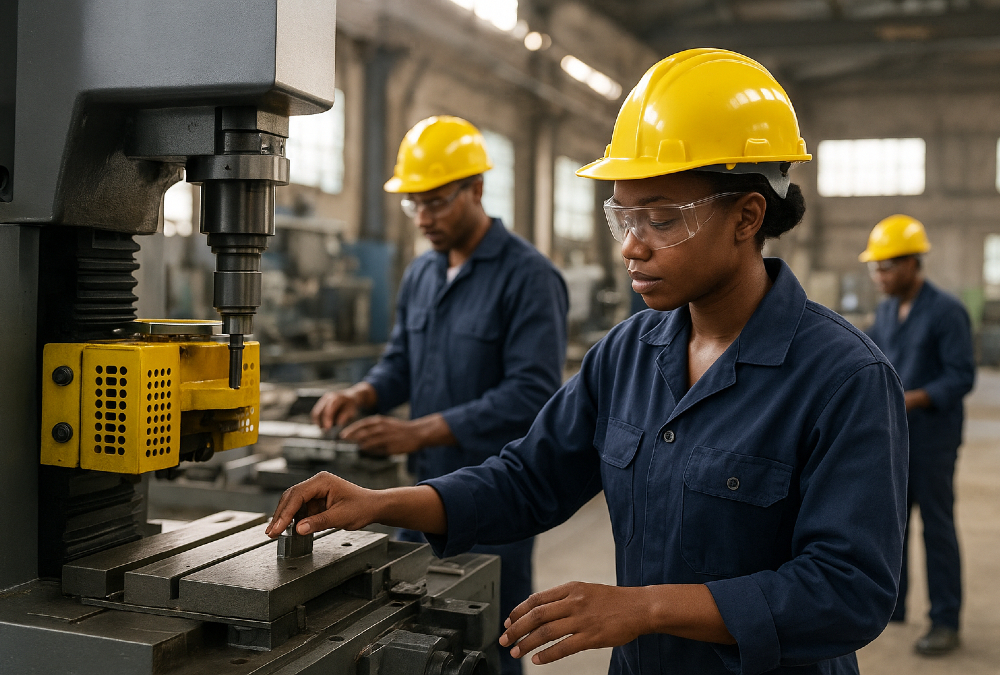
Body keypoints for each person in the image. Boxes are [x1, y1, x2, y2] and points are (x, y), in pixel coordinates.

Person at [273, 50, 908, 675]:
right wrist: (380, 503)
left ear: (747, 216)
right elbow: (527, 480)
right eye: (622, 216)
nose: (632, 246)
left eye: (661, 220)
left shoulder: (843, 379)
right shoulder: (626, 355)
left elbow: (850, 591)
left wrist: (646, 607)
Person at [310, 115, 568, 675]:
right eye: (414, 205)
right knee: (417, 632)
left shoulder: (529, 277)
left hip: (493, 498)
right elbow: (402, 362)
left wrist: (417, 430)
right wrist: (363, 394)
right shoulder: (421, 274)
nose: (424, 218)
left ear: (476, 188)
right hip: (420, 491)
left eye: (437, 202)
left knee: (490, 640)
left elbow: (533, 393)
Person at [860, 214, 975, 656]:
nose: (879, 276)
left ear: (912, 264)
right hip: (896, 436)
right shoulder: (888, 311)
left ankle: (945, 620)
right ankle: (896, 605)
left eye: (885, 267)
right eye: (876, 268)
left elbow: (961, 376)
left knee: (937, 528)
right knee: (894, 524)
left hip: (933, 439)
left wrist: (915, 397)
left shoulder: (947, 312)